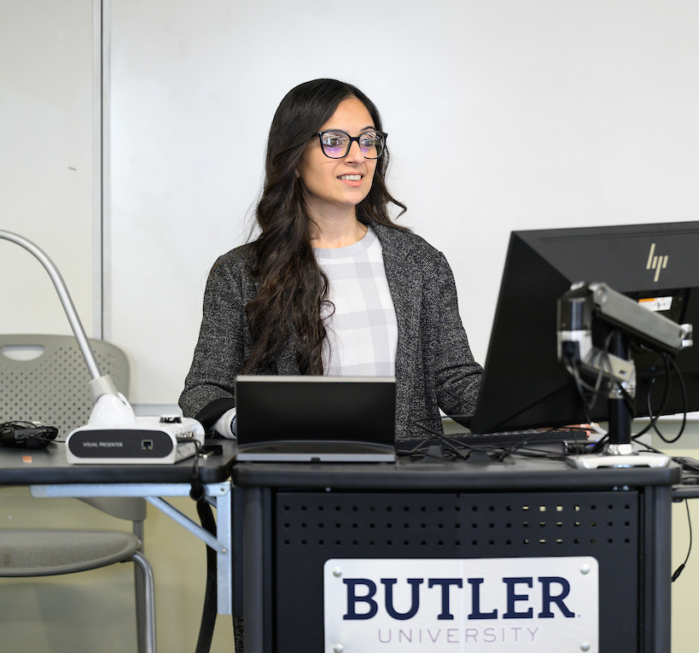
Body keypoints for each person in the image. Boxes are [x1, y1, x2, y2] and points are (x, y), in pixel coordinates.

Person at [178, 78, 481, 439]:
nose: (358, 156)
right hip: (294, 484)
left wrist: (536, 413)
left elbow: (455, 378)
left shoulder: (419, 262)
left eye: (368, 141)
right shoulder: (240, 273)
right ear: (293, 159)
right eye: (334, 141)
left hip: (407, 482)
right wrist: (250, 424)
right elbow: (203, 390)